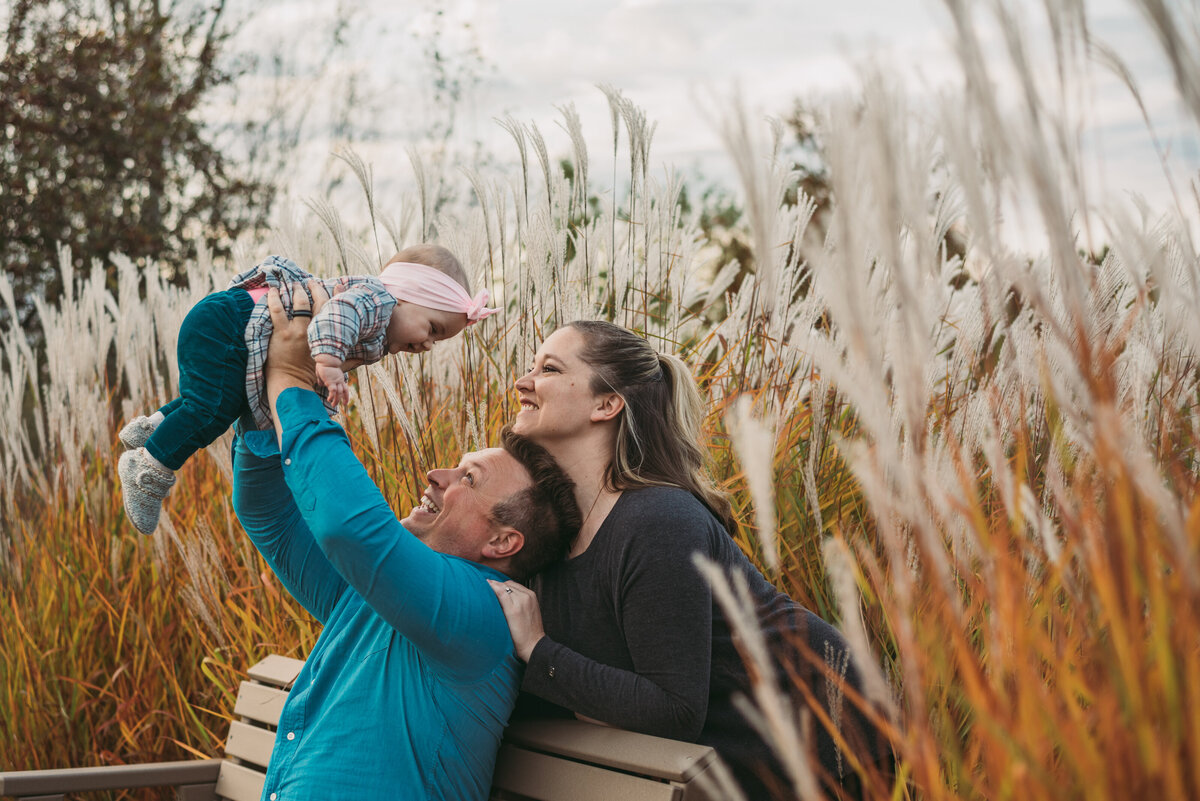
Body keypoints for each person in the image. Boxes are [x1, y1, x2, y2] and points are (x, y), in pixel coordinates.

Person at [488, 320, 892, 800]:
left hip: (831, 748)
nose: (523, 380)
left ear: (607, 404)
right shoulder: (552, 530)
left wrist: (539, 650)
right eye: (531, 366)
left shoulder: (660, 520)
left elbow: (672, 712)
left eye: (550, 368)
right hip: (726, 765)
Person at [231, 283, 580, 800]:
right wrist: (263, 406)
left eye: (470, 479)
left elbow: (348, 528)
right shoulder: (378, 595)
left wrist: (291, 383)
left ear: (505, 541)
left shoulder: (480, 612)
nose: (438, 475)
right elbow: (268, 515)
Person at [118, 244, 498, 534]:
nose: (428, 344)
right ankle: (148, 469)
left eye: (439, 340)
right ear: (405, 295)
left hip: (232, 328)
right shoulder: (376, 299)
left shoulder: (379, 326)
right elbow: (333, 319)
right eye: (432, 328)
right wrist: (329, 364)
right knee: (212, 409)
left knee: (218, 400)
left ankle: (152, 428)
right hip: (230, 325)